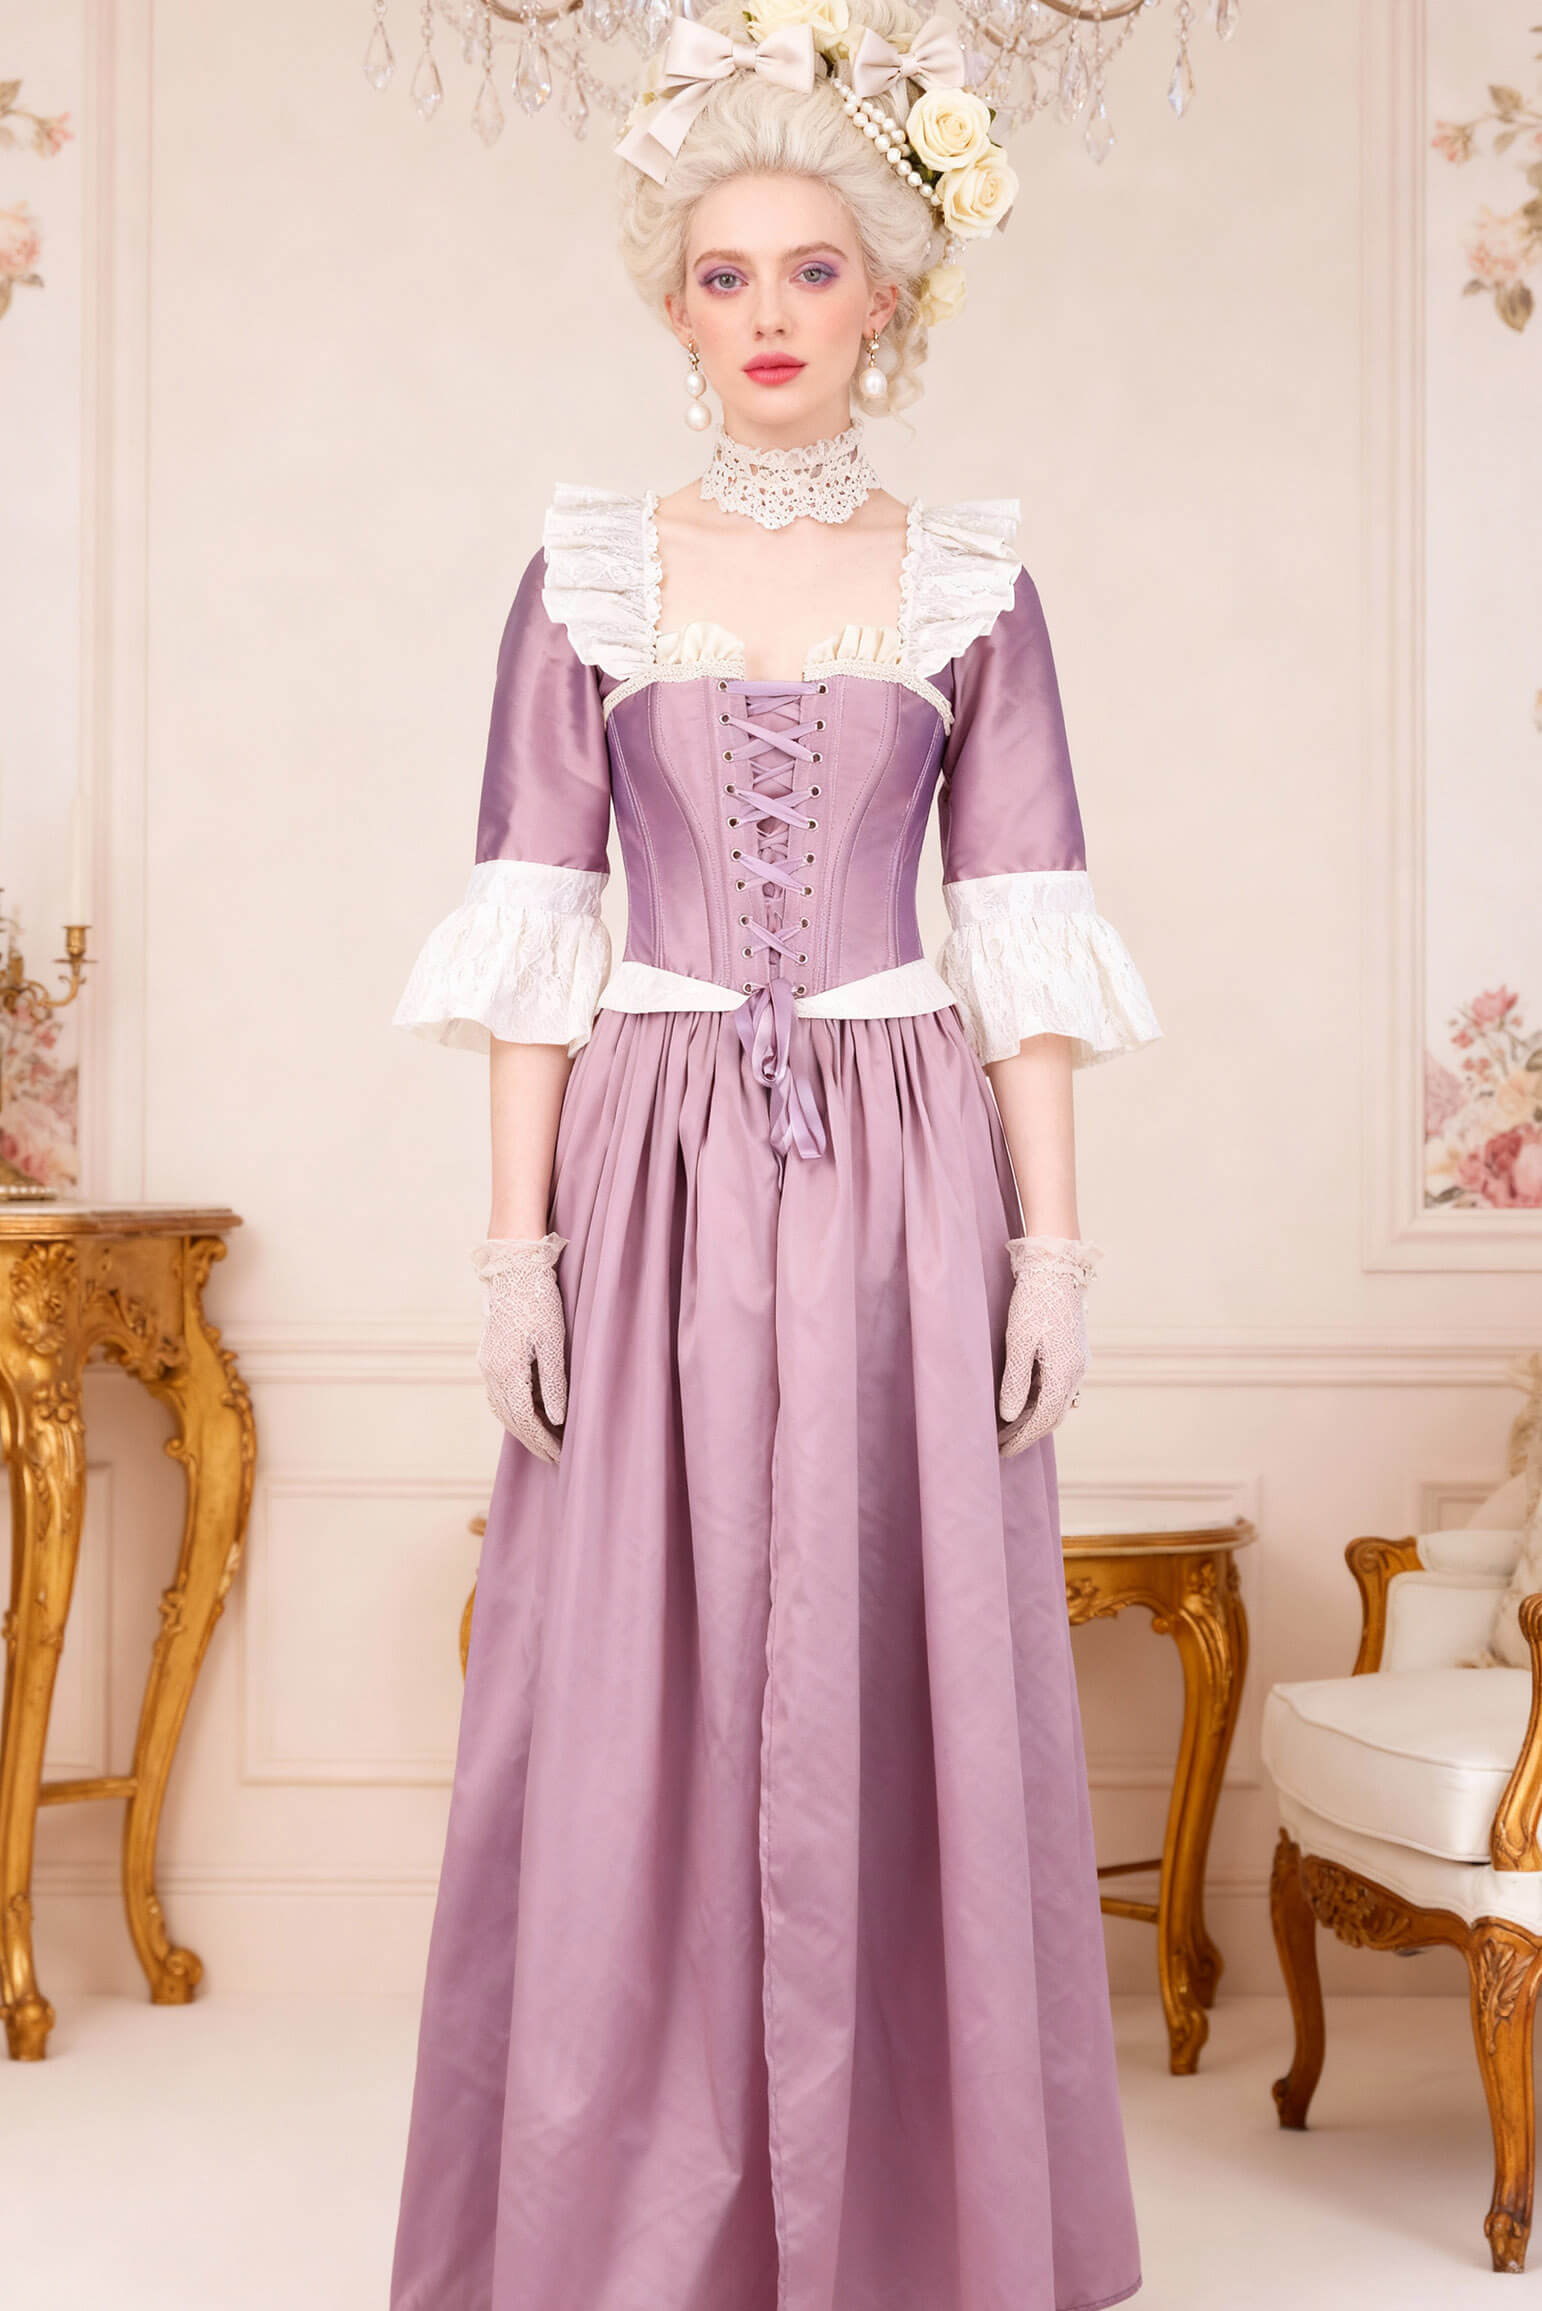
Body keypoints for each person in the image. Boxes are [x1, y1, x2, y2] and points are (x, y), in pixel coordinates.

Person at [388, 5, 1161, 2306]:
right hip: (644, 1167)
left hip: (908, 1157)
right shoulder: (587, 578)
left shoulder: (972, 585)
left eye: (811, 269)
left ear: (888, 298)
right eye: (723, 275)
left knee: (898, 1651)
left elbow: (1020, 934)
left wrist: (1055, 1250)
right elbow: (538, 929)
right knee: (636, 1665)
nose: (767, 314)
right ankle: (638, 2227)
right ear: (673, 307)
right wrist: (514, 1251)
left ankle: (910, 2219)